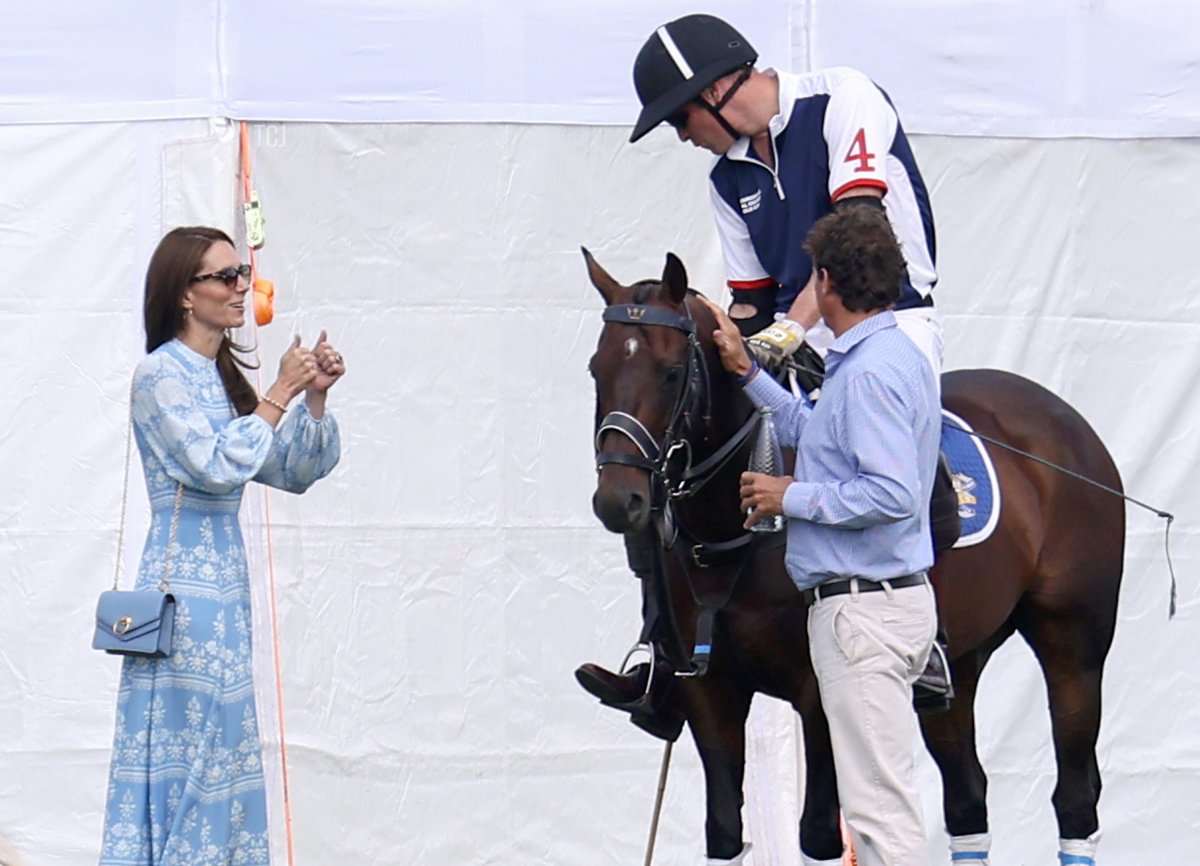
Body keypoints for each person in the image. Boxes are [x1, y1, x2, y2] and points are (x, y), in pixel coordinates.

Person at [575, 12, 956, 718]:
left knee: (906, 467)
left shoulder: (845, 100)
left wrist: (785, 335)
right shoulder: (727, 179)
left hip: (889, 323)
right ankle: (664, 650)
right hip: (795, 339)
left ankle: (926, 633)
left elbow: (859, 236)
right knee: (679, 447)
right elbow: (751, 299)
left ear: (719, 88)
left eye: (680, 117)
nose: (682, 135)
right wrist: (721, 339)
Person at [98, 227, 343, 866]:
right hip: (181, 596)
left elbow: (289, 471)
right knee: (192, 750)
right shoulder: (159, 376)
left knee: (223, 748)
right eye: (225, 276)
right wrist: (279, 394)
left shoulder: (218, 377)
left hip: (226, 593)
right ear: (185, 293)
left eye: (242, 273)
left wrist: (312, 396)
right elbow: (211, 466)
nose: (242, 287)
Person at [710, 207, 939, 866]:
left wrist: (791, 495)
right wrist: (748, 374)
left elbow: (892, 495)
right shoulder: (882, 355)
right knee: (879, 805)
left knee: (878, 813)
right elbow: (818, 436)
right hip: (881, 601)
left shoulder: (867, 373)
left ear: (829, 280)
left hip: (863, 611)